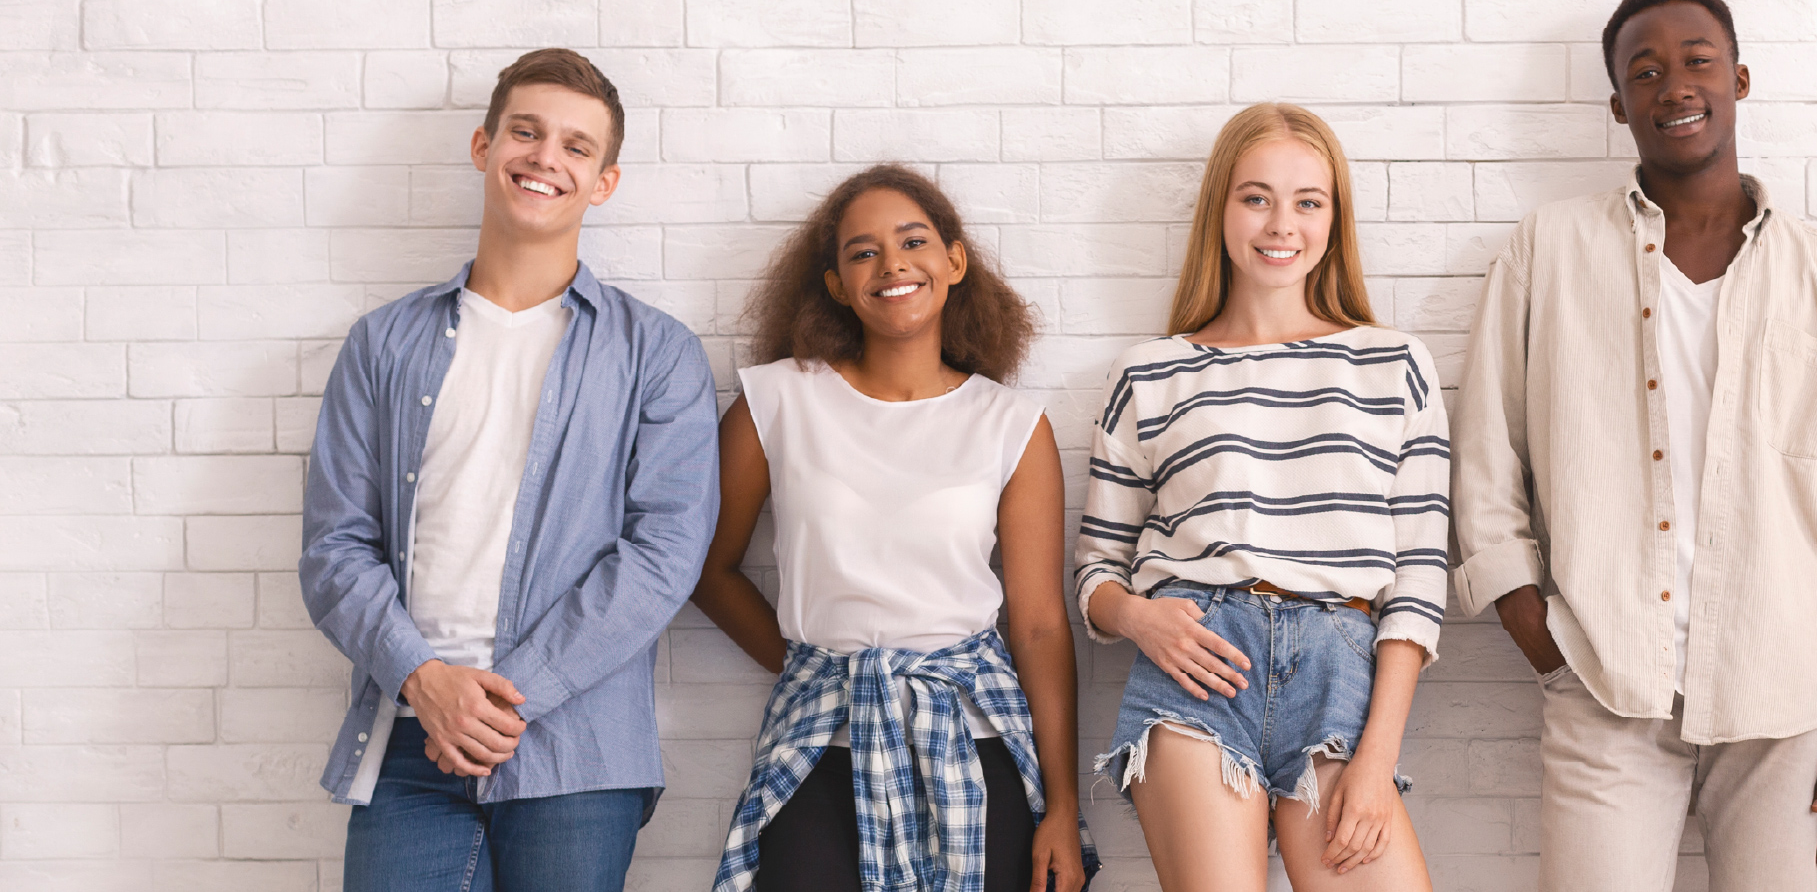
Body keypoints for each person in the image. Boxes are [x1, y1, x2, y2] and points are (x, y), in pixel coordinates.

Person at [1450, 0, 1817, 892]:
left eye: (1696, 62)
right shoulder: (1544, 252)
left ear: (1740, 79)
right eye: (1644, 72)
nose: (1674, 85)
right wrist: (1540, 634)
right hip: (1601, 684)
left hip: (1786, 695)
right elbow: (1485, 456)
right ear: (1617, 105)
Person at [298, 48, 719, 892]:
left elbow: (664, 555)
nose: (544, 158)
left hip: (576, 749)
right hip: (410, 739)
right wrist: (427, 681)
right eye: (525, 132)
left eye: (575, 146)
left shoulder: (658, 355)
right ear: (483, 145)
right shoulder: (383, 344)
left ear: (604, 182)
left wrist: (500, 700)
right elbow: (335, 547)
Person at [694, 164, 1096, 892]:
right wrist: (812, 666)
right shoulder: (777, 401)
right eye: (862, 252)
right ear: (836, 283)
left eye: (913, 241)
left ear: (954, 260)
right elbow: (706, 568)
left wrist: (1063, 807)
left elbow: (1038, 627)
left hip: (975, 744)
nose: (892, 265)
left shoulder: (1010, 426)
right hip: (819, 747)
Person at [1077, 102, 1444, 891]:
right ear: (1221, 209)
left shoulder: (1393, 365)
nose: (1282, 224)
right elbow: (1095, 571)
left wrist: (1376, 758)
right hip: (1200, 665)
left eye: (1308, 201)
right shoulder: (1150, 372)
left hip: (1342, 668)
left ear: (1333, 219)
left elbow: (1419, 576)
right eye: (1257, 197)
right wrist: (1139, 616)